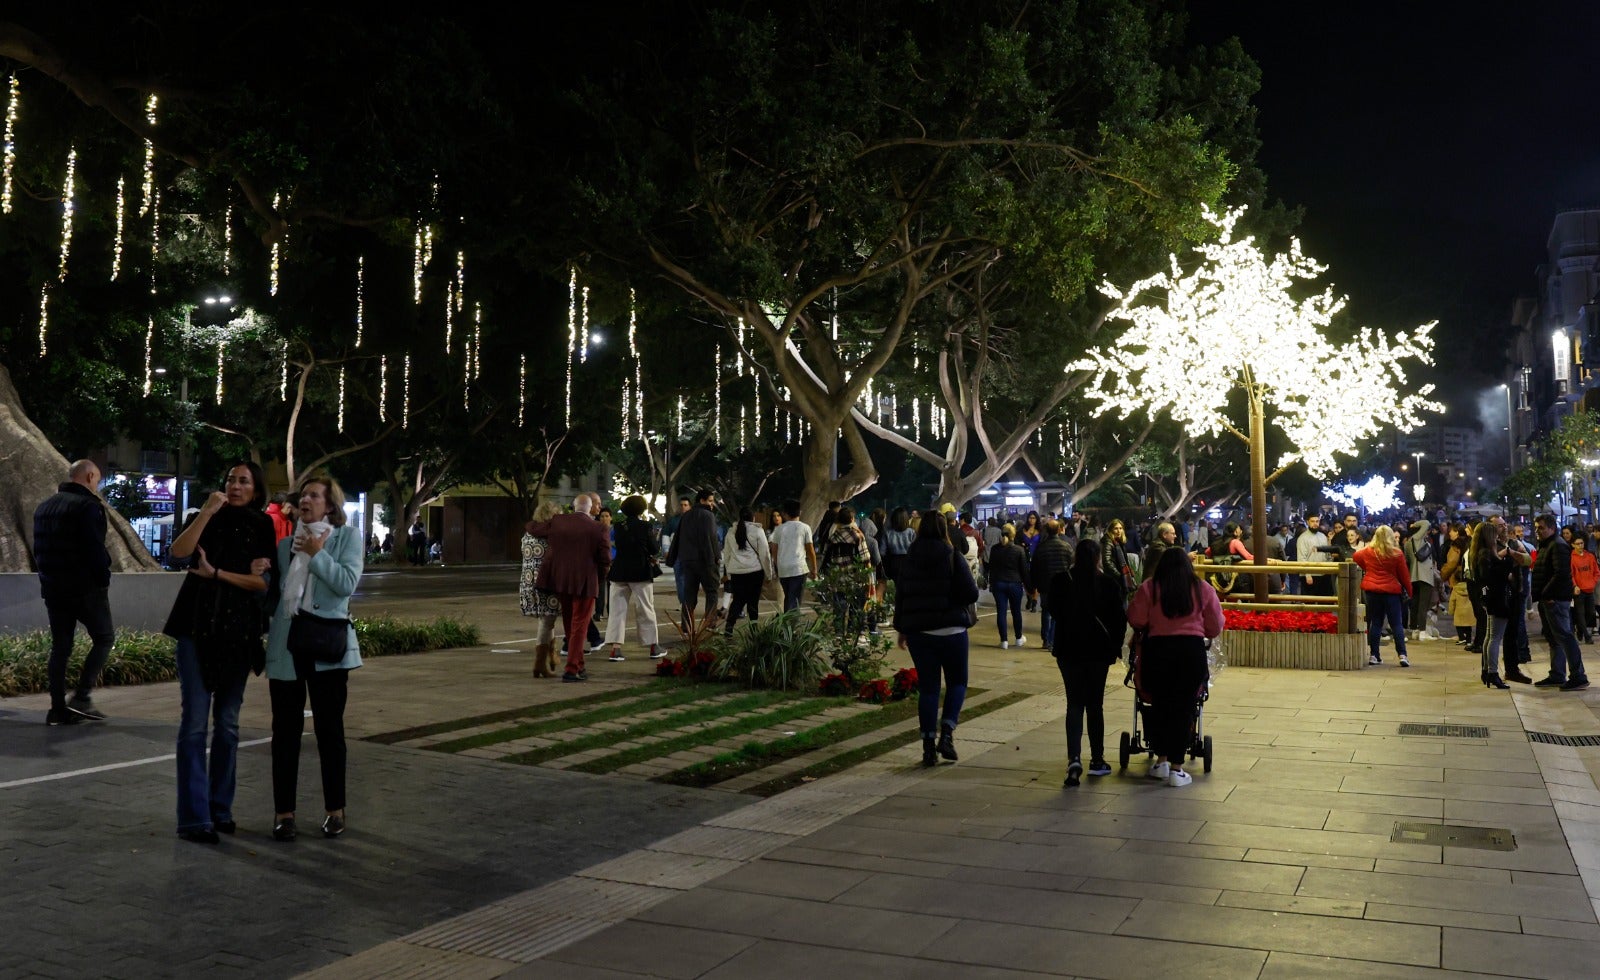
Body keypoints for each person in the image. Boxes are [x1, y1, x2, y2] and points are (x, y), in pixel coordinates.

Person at [162, 461, 276, 844]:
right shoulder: (204, 516)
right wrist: (207, 512)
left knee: (227, 725)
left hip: (238, 634)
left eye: (244, 481)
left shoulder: (262, 525)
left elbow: (262, 583)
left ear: (256, 489)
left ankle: (220, 808)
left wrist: (217, 574)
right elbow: (178, 553)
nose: (235, 485)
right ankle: (194, 818)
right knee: (194, 723)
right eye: (230, 479)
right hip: (195, 627)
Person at [263, 473, 363, 842]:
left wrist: (317, 553)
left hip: (326, 647)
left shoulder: (346, 538)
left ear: (330, 505)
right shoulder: (285, 544)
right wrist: (262, 578)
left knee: (329, 732)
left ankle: (335, 810)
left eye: (314, 496)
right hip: (287, 646)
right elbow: (276, 597)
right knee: (284, 735)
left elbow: (346, 584)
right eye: (303, 495)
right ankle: (284, 814)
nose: (305, 500)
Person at [1127, 548, 1222, 788]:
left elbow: (1136, 619)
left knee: (1160, 704)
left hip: (1157, 652)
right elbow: (1214, 626)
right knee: (1185, 707)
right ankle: (1177, 769)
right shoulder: (1202, 589)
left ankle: (1161, 761)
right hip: (1190, 652)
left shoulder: (1150, 587)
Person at [892, 510, 979, 767]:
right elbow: (971, 593)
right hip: (952, 631)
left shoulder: (910, 559)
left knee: (929, 689)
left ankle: (928, 747)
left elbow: (901, 596)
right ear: (944, 529)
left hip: (920, 633)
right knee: (957, 682)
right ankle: (947, 733)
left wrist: (901, 628)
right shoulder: (952, 555)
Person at [33, 459, 114, 725]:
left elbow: (38, 550)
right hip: (85, 588)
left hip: (53, 588)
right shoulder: (88, 506)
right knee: (104, 638)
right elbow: (94, 549)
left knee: (61, 647)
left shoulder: (44, 507)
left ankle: (57, 708)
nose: (97, 485)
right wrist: (103, 579)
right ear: (90, 477)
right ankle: (82, 696)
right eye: (97, 479)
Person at [1048, 538, 1127, 787]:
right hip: (1098, 652)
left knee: (1074, 704)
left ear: (1075, 557)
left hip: (1069, 650)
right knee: (1095, 705)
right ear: (1097, 558)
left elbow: (1053, 610)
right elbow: (1119, 619)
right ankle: (1097, 759)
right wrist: (1115, 647)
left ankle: (1074, 759)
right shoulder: (1108, 584)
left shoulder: (1061, 581)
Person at [527, 494, 613, 682]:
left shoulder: (558, 522)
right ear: (589, 508)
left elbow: (533, 527)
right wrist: (599, 577)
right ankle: (572, 669)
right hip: (585, 581)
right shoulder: (599, 528)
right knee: (580, 625)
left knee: (569, 624)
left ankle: (579, 665)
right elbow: (605, 558)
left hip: (561, 581)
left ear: (574, 507)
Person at [1531, 513, 1589, 691]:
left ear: (1551, 528)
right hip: (1548, 598)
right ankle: (1557, 674)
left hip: (1555, 599)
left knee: (1565, 636)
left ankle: (1578, 676)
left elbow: (1561, 573)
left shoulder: (1557, 545)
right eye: (1536, 528)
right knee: (1554, 637)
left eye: (1541, 528)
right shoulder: (1547, 544)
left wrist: (1547, 593)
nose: (1537, 531)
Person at [602, 495, 662, 660]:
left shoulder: (618, 526)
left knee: (617, 611)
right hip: (640, 571)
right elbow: (654, 549)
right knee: (645, 608)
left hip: (619, 571)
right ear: (641, 509)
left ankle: (615, 649)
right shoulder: (645, 526)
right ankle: (653, 646)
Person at [1476, 522, 1531, 688]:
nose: (1504, 528)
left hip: (1497, 598)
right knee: (1494, 637)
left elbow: (1527, 560)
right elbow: (1496, 574)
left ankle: (1488, 671)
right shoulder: (1488, 554)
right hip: (1499, 598)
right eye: (1498, 527)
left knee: (1491, 635)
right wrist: (1507, 560)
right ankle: (1492, 673)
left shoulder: (1488, 552)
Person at [1352, 525, 1412, 667]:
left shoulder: (1368, 551)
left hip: (1372, 591)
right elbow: (1404, 576)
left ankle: (1374, 655)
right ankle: (1402, 655)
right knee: (1396, 624)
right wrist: (1409, 592)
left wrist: (1368, 569)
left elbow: (1355, 557)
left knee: (1376, 622)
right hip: (1391, 592)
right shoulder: (1396, 554)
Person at [520, 501, 565, 677]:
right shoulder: (553, 535)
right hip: (547, 583)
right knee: (547, 620)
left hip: (528, 582)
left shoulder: (528, 533)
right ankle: (539, 664)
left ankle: (552, 654)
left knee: (546, 618)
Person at [666, 488, 721, 631]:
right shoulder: (708, 516)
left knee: (689, 595)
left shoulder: (686, 516)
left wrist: (672, 557)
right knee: (712, 592)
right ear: (702, 500)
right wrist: (716, 558)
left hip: (688, 561)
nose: (712, 504)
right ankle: (709, 624)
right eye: (710, 501)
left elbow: (677, 538)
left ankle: (686, 626)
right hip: (706, 560)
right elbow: (712, 539)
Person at [721, 505, 775, 634]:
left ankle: (729, 627)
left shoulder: (730, 532)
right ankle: (753, 630)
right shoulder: (758, 531)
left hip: (737, 573)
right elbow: (765, 555)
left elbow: (727, 554)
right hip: (754, 572)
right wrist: (769, 574)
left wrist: (729, 573)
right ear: (753, 518)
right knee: (753, 602)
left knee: (737, 600)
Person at [1030, 520, 1074, 649]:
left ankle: (1045, 639)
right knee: (1058, 612)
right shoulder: (1066, 546)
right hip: (1062, 584)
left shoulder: (1041, 548)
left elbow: (1035, 568)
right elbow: (1071, 565)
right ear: (1059, 529)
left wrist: (1034, 585)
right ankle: (1053, 639)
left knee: (1046, 611)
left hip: (1045, 584)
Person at [769, 499, 817, 612]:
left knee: (788, 598)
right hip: (798, 569)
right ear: (799, 512)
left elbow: (774, 550)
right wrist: (814, 568)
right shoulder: (805, 527)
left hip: (783, 569)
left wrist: (778, 565)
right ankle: (791, 622)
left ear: (785, 513)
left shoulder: (779, 529)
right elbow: (810, 550)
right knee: (795, 601)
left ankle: (786, 620)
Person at [987, 525, 1030, 648]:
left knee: (1001, 612)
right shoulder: (1019, 550)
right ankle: (1018, 638)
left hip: (999, 583)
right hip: (1015, 583)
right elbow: (1024, 571)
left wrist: (991, 583)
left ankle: (1004, 641)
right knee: (1016, 612)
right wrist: (1029, 587)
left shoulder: (995, 549)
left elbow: (991, 567)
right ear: (1013, 535)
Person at [1403, 519, 1435, 640]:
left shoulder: (1407, 544)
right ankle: (1422, 631)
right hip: (1424, 576)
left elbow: (1407, 560)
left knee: (1415, 604)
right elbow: (1426, 522)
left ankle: (1414, 629)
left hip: (1413, 576)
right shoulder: (1418, 538)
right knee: (1423, 604)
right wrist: (1414, 525)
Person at [1296, 515, 1331, 596]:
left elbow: (1327, 555)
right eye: (1312, 521)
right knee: (1310, 601)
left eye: (1317, 521)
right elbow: (1301, 558)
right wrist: (1307, 575)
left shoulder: (1323, 536)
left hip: (1324, 574)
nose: (1315, 524)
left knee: (1325, 601)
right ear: (1308, 522)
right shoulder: (1302, 538)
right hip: (1310, 575)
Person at [1573, 535, 1598, 644]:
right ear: (1573, 545)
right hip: (1579, 590)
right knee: (1580, 613)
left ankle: (1580, 628)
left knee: (1591, 613)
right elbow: (1571, 574)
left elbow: (1596, 571)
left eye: (1581, 543)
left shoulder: (1590, 556)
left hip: (1589, 589)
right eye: (1578, 544)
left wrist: (1593, 582)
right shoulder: (1571, 558)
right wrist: (1575, 586)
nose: (1580, 545)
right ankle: (1587, 636)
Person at [1101, 519, 1134, 595]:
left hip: (1119, 578)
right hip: (1114, 579)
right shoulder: (1109, 542)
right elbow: (1107, 561)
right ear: (1111, 530)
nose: (1119, 531)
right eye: (1116, 528)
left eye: (1120, 528)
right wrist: (1119, 575)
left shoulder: (1118, 542)